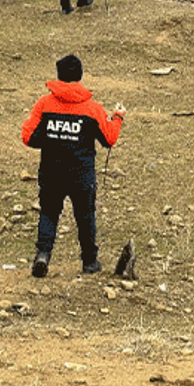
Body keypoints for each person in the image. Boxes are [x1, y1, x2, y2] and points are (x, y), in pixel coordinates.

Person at [21, 54, 125, 277]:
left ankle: (43, 255)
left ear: (58, 75)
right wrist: (117, 117)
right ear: (80, 75)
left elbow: (28, 137)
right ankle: (90, 262)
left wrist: (51, 139)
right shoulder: (93, 109)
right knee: (85, 216)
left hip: (51, 171)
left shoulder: (44, 104)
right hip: (82, 174)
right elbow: (109, 139)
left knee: (49, 213)